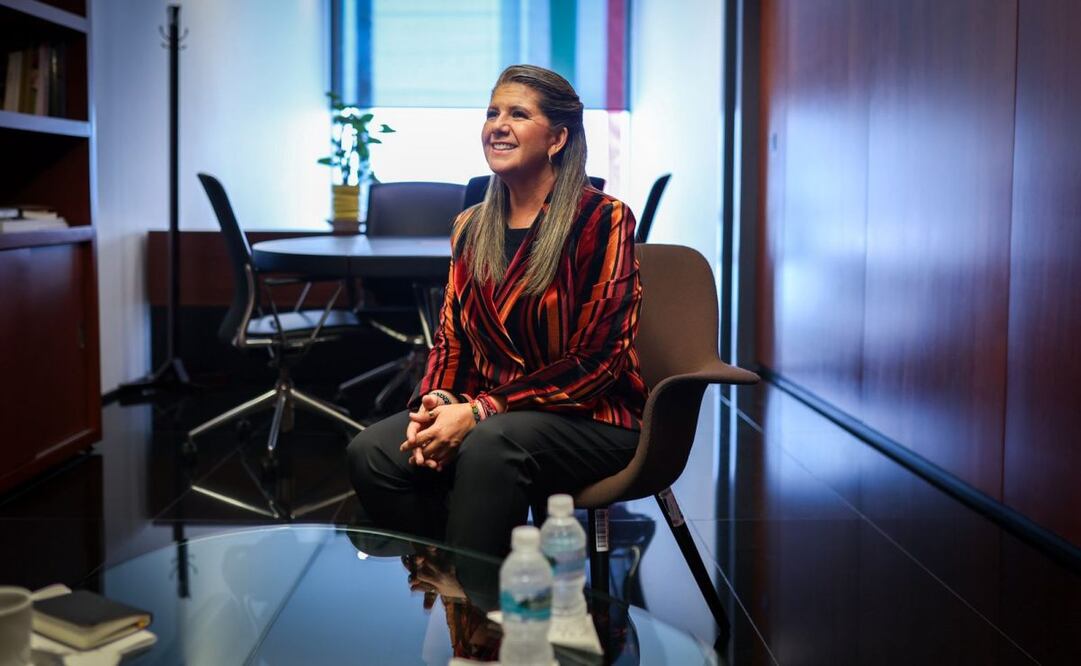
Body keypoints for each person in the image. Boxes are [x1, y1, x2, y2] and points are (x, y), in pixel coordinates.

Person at [346, 64, 647, 558]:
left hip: (593, 417)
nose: (497, 125)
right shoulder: (470, 226)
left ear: (557, 139)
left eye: (518, 114)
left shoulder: (603, 218)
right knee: (372, 453)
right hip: (489, 414)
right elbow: (452, 339)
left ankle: (480, 613)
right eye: (492, 112)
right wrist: (439, 402)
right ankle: (459, 575)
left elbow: (599, 361)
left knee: (491, 444)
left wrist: (483, 410)